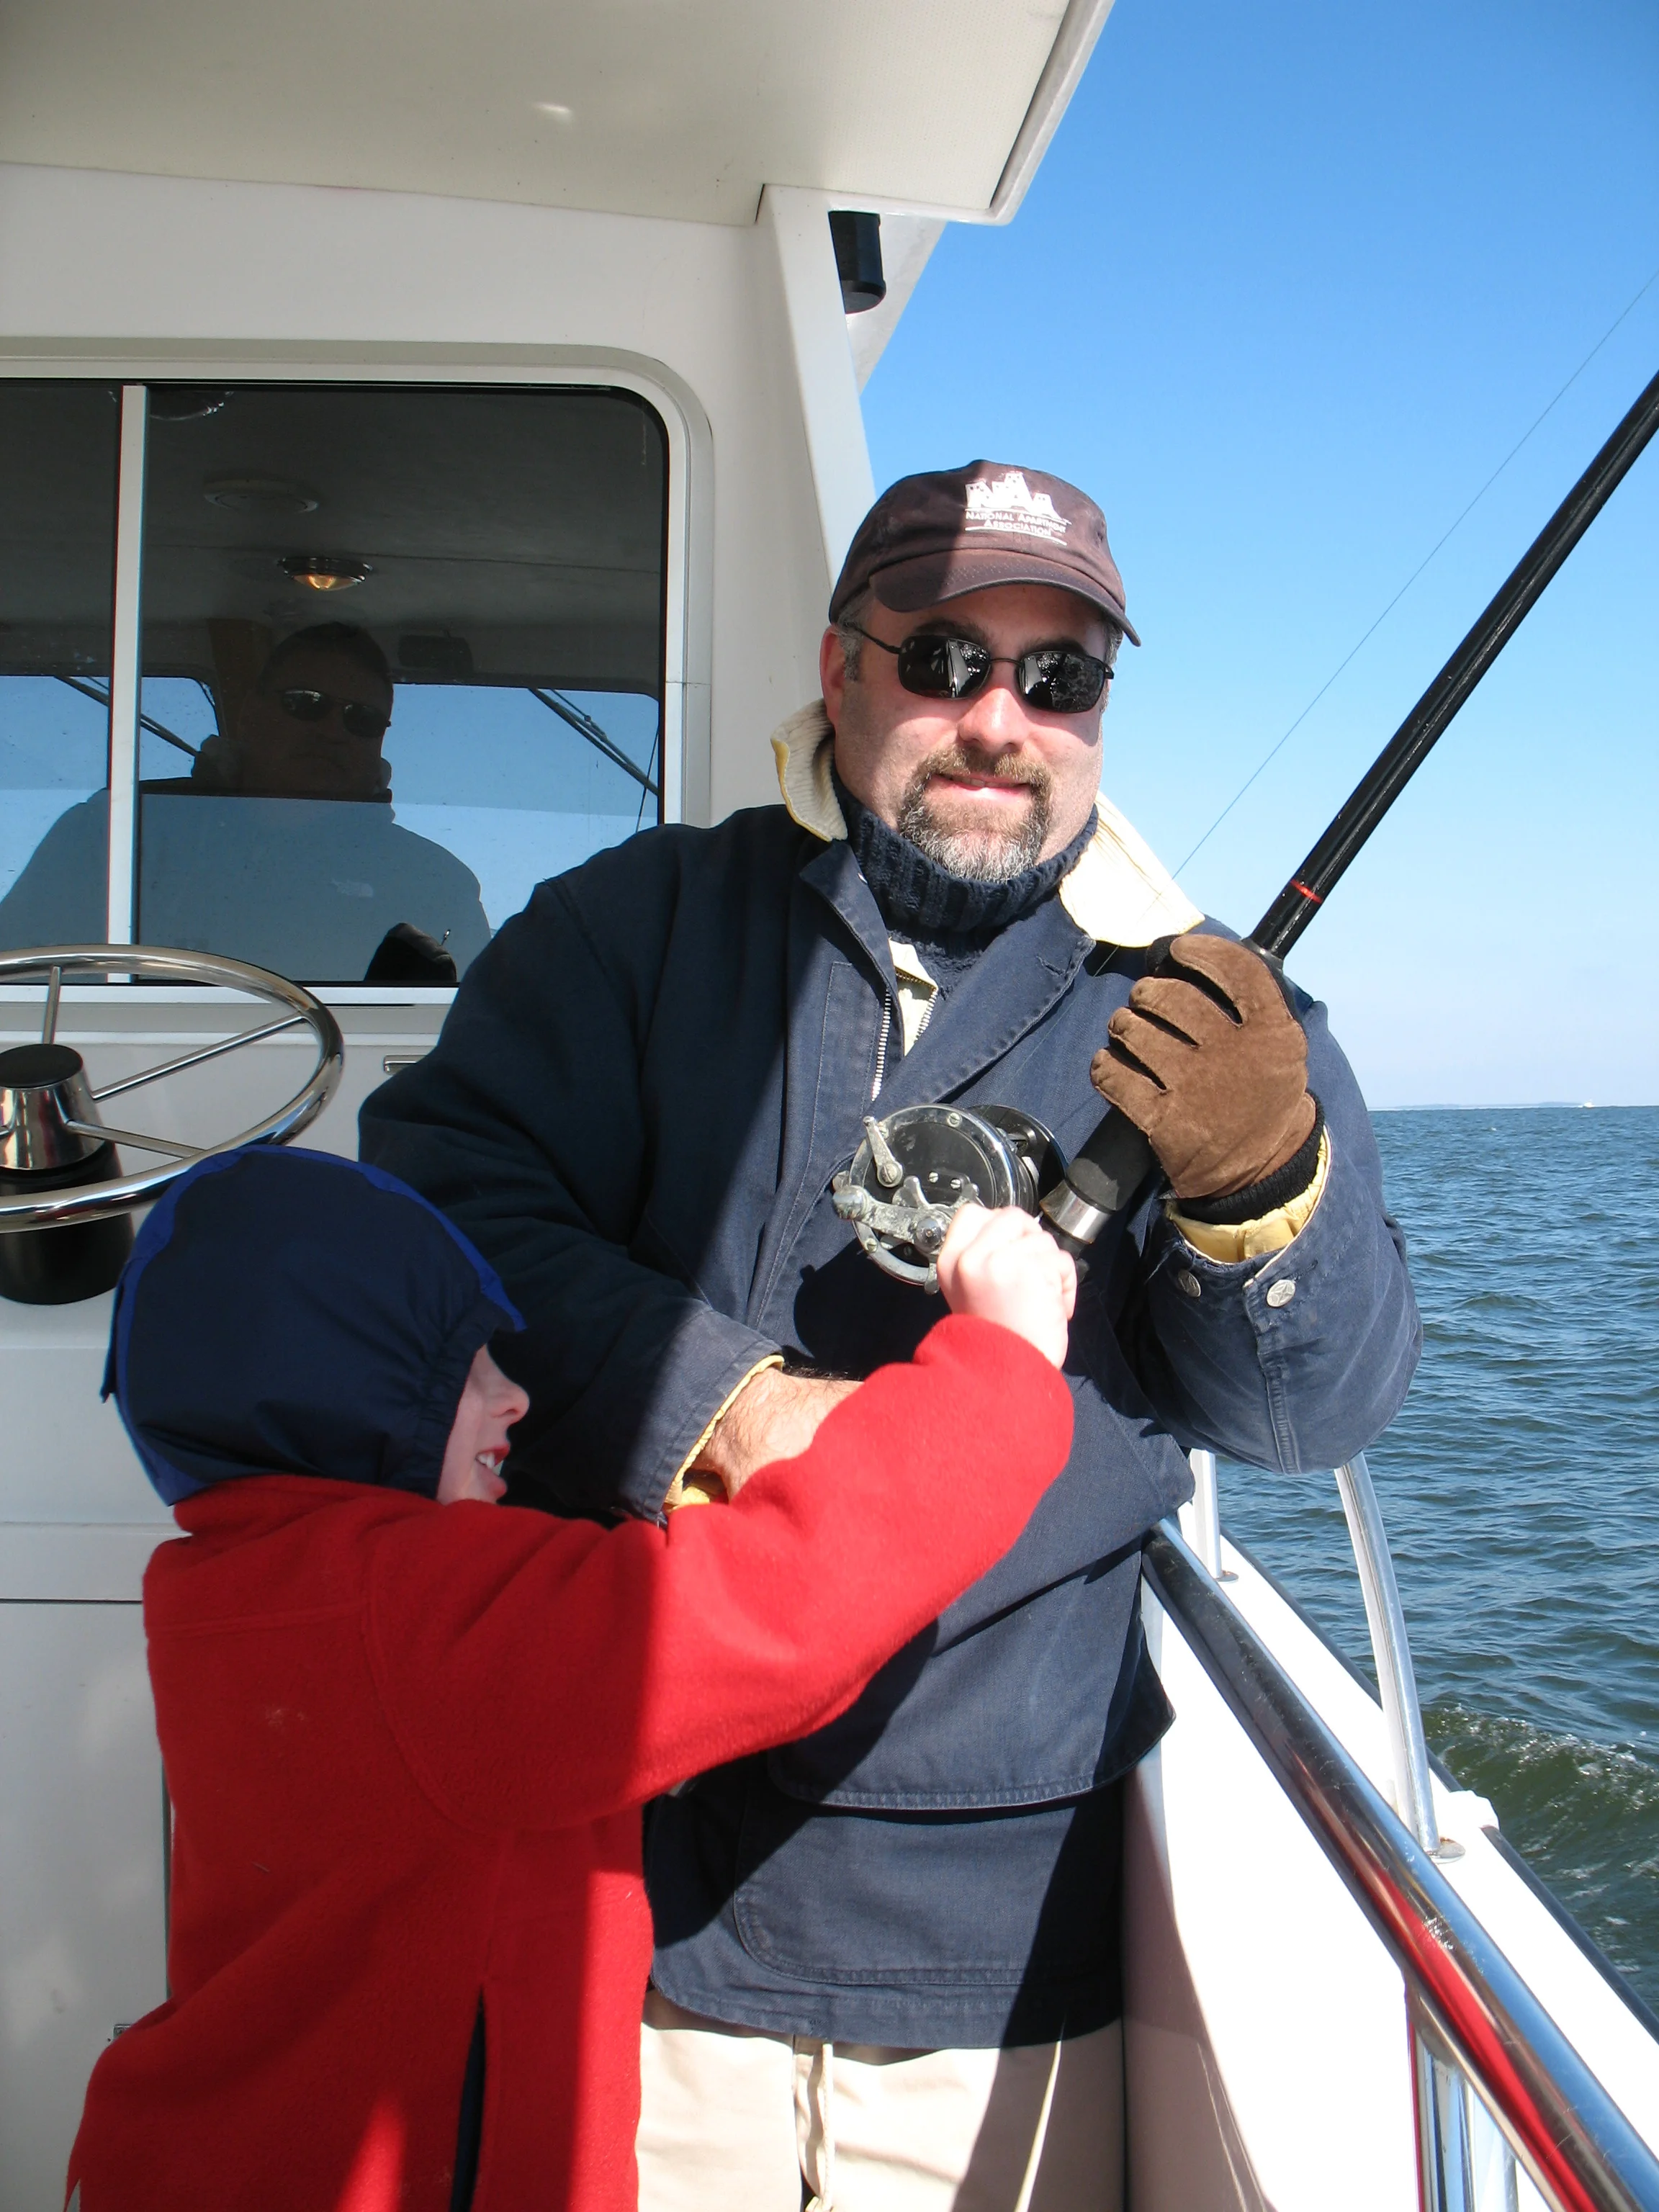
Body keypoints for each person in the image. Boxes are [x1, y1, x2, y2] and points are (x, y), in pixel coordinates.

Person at [359, 460, 1421, 2209]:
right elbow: (439, 1209)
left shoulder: (1220, 1013)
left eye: (1056, 675)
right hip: (636, 1870)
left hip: (996, 1923)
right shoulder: (629, 928)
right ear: (842, 671)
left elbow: (1310, 1413)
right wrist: (735, 1407)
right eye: (942, 657)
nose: (998, 718)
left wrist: (1268, 1179)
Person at [63, 1146, 1077, 2212]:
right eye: (459, 1366)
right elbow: (786, 1615)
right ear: (349, 1388)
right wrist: (999, 1364)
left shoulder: (231, 1592)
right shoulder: (417, 1619)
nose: (514, 1398)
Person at [0, 624, 490, 980]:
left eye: (361, 719)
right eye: (306, 703)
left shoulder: (433, 881)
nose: (332, 730)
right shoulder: (113, 834)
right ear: (251, 715)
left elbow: (469, 1039)